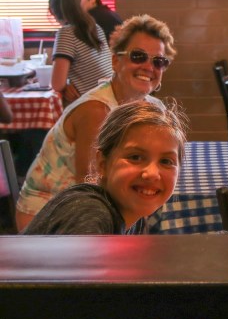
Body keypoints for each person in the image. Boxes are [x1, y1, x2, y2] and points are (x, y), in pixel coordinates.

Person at [15, 14, 177, 232]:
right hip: (56, 219)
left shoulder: (153, 108)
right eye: (138, 56)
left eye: (159, 61)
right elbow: (90, 185)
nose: (149, 66)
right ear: (115, 61)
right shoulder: (96, 111)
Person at [22, 99, 187, 235]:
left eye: (166, 161)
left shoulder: (133, 218)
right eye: (135, 157)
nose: (152, 173)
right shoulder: (90, 213)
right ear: (102, 164)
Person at [48, 0, 113, 104]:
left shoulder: (66, 33)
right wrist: (68, 82)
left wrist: (65, 84)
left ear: (52, 11)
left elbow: (57, 84)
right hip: (110, 97)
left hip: (95, 103)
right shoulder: (95, 27)